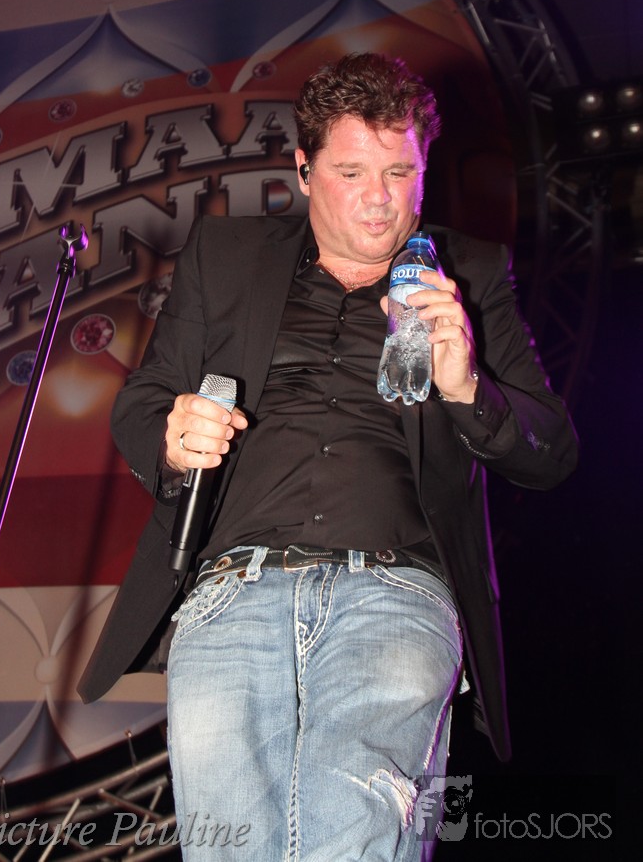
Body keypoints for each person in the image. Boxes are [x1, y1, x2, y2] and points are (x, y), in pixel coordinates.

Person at [79, 52, 578, 860]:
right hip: (231, 587)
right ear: (304, 170)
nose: (380, 198)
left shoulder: (471, 273)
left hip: (396, 588)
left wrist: (466, 387)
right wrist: (171, 439)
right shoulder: (227, 254)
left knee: (352, 828)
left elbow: (549, 451)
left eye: (399, 172)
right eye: (351, 173)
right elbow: (145, 399)